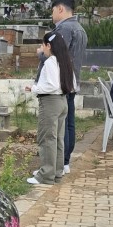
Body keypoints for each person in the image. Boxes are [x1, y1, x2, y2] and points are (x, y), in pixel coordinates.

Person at [26, 32, 75, 185]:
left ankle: (45, 175)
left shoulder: (50, 62)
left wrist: (34, 88)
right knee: (58, 139)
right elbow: (69, 83)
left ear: (49, 46)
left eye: (42, 45)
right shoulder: (65, 61)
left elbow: (51, 85)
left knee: (47, 138)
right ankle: (56, 172)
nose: (42, 49)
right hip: (62, 101)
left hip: (50, 102)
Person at [50, 0, 87, 174]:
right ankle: (65, 161)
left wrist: (42, 53)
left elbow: (56, 56)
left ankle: (60, 160)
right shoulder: (80, 28)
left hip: (61, 81)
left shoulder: (64, 28)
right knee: (69, 121)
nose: (52, 15)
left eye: (53, 11)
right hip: (73, 81)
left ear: (60, 9)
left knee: (61, 123)